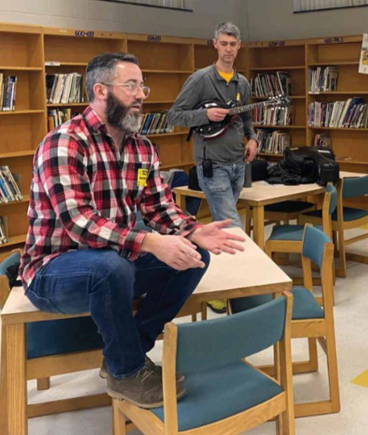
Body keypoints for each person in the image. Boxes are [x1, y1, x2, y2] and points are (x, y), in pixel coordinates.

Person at [19, 52, 245, 409]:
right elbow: (79, 223)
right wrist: (150, 241)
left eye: (143, 86)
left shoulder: (142, 148)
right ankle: (126, 373)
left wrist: (192, 231)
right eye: (131, 86)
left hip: (115, 260)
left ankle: (126, 353)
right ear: (101, 91)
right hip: (54, 269)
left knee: (192, 257)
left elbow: (158, 205)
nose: (142, 94)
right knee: (111, 268)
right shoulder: (64, 142)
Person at [167, 21, 258, 314]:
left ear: (239, 46)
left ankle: (213, 281)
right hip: (211, 165)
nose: (229, 49)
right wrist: (205, 114)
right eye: (224, 43)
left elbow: (246, 120)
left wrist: (253, 139)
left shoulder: (242, 83)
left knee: (220, 225)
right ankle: (244, 290)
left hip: (237, 164)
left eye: (233, 44)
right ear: (215, 44)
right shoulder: (200, 79)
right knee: (232, 227)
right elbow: (174, 116)